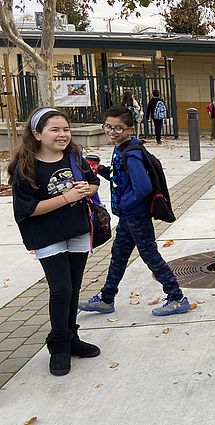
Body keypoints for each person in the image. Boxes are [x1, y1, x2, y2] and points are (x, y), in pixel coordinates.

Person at [9, 107, 101, 376]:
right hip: (48, 237)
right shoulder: (26, 167)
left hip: (78, 231)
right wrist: (67, 198)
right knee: (60, 290)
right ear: (37, 134)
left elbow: (93, 181)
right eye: (55, 129)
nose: (63, 134)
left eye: (66, 129)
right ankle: (58, 347)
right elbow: (26, 210)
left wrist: (88, 189)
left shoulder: (74, 157)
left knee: (73, 288)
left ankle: (72, 339)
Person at [78, 106, 191, 316]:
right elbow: (122, 178)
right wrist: (102, 170)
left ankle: (176, 297)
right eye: (108, 127)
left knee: (149, 255)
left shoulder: (131, 153)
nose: (112, 132)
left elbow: (143, 187)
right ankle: (106, 298)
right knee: (119, 256)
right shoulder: (122, 148)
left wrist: (126, 204)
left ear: (129, 128)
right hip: (128, 216)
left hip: (135, 215)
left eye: (118, 128)